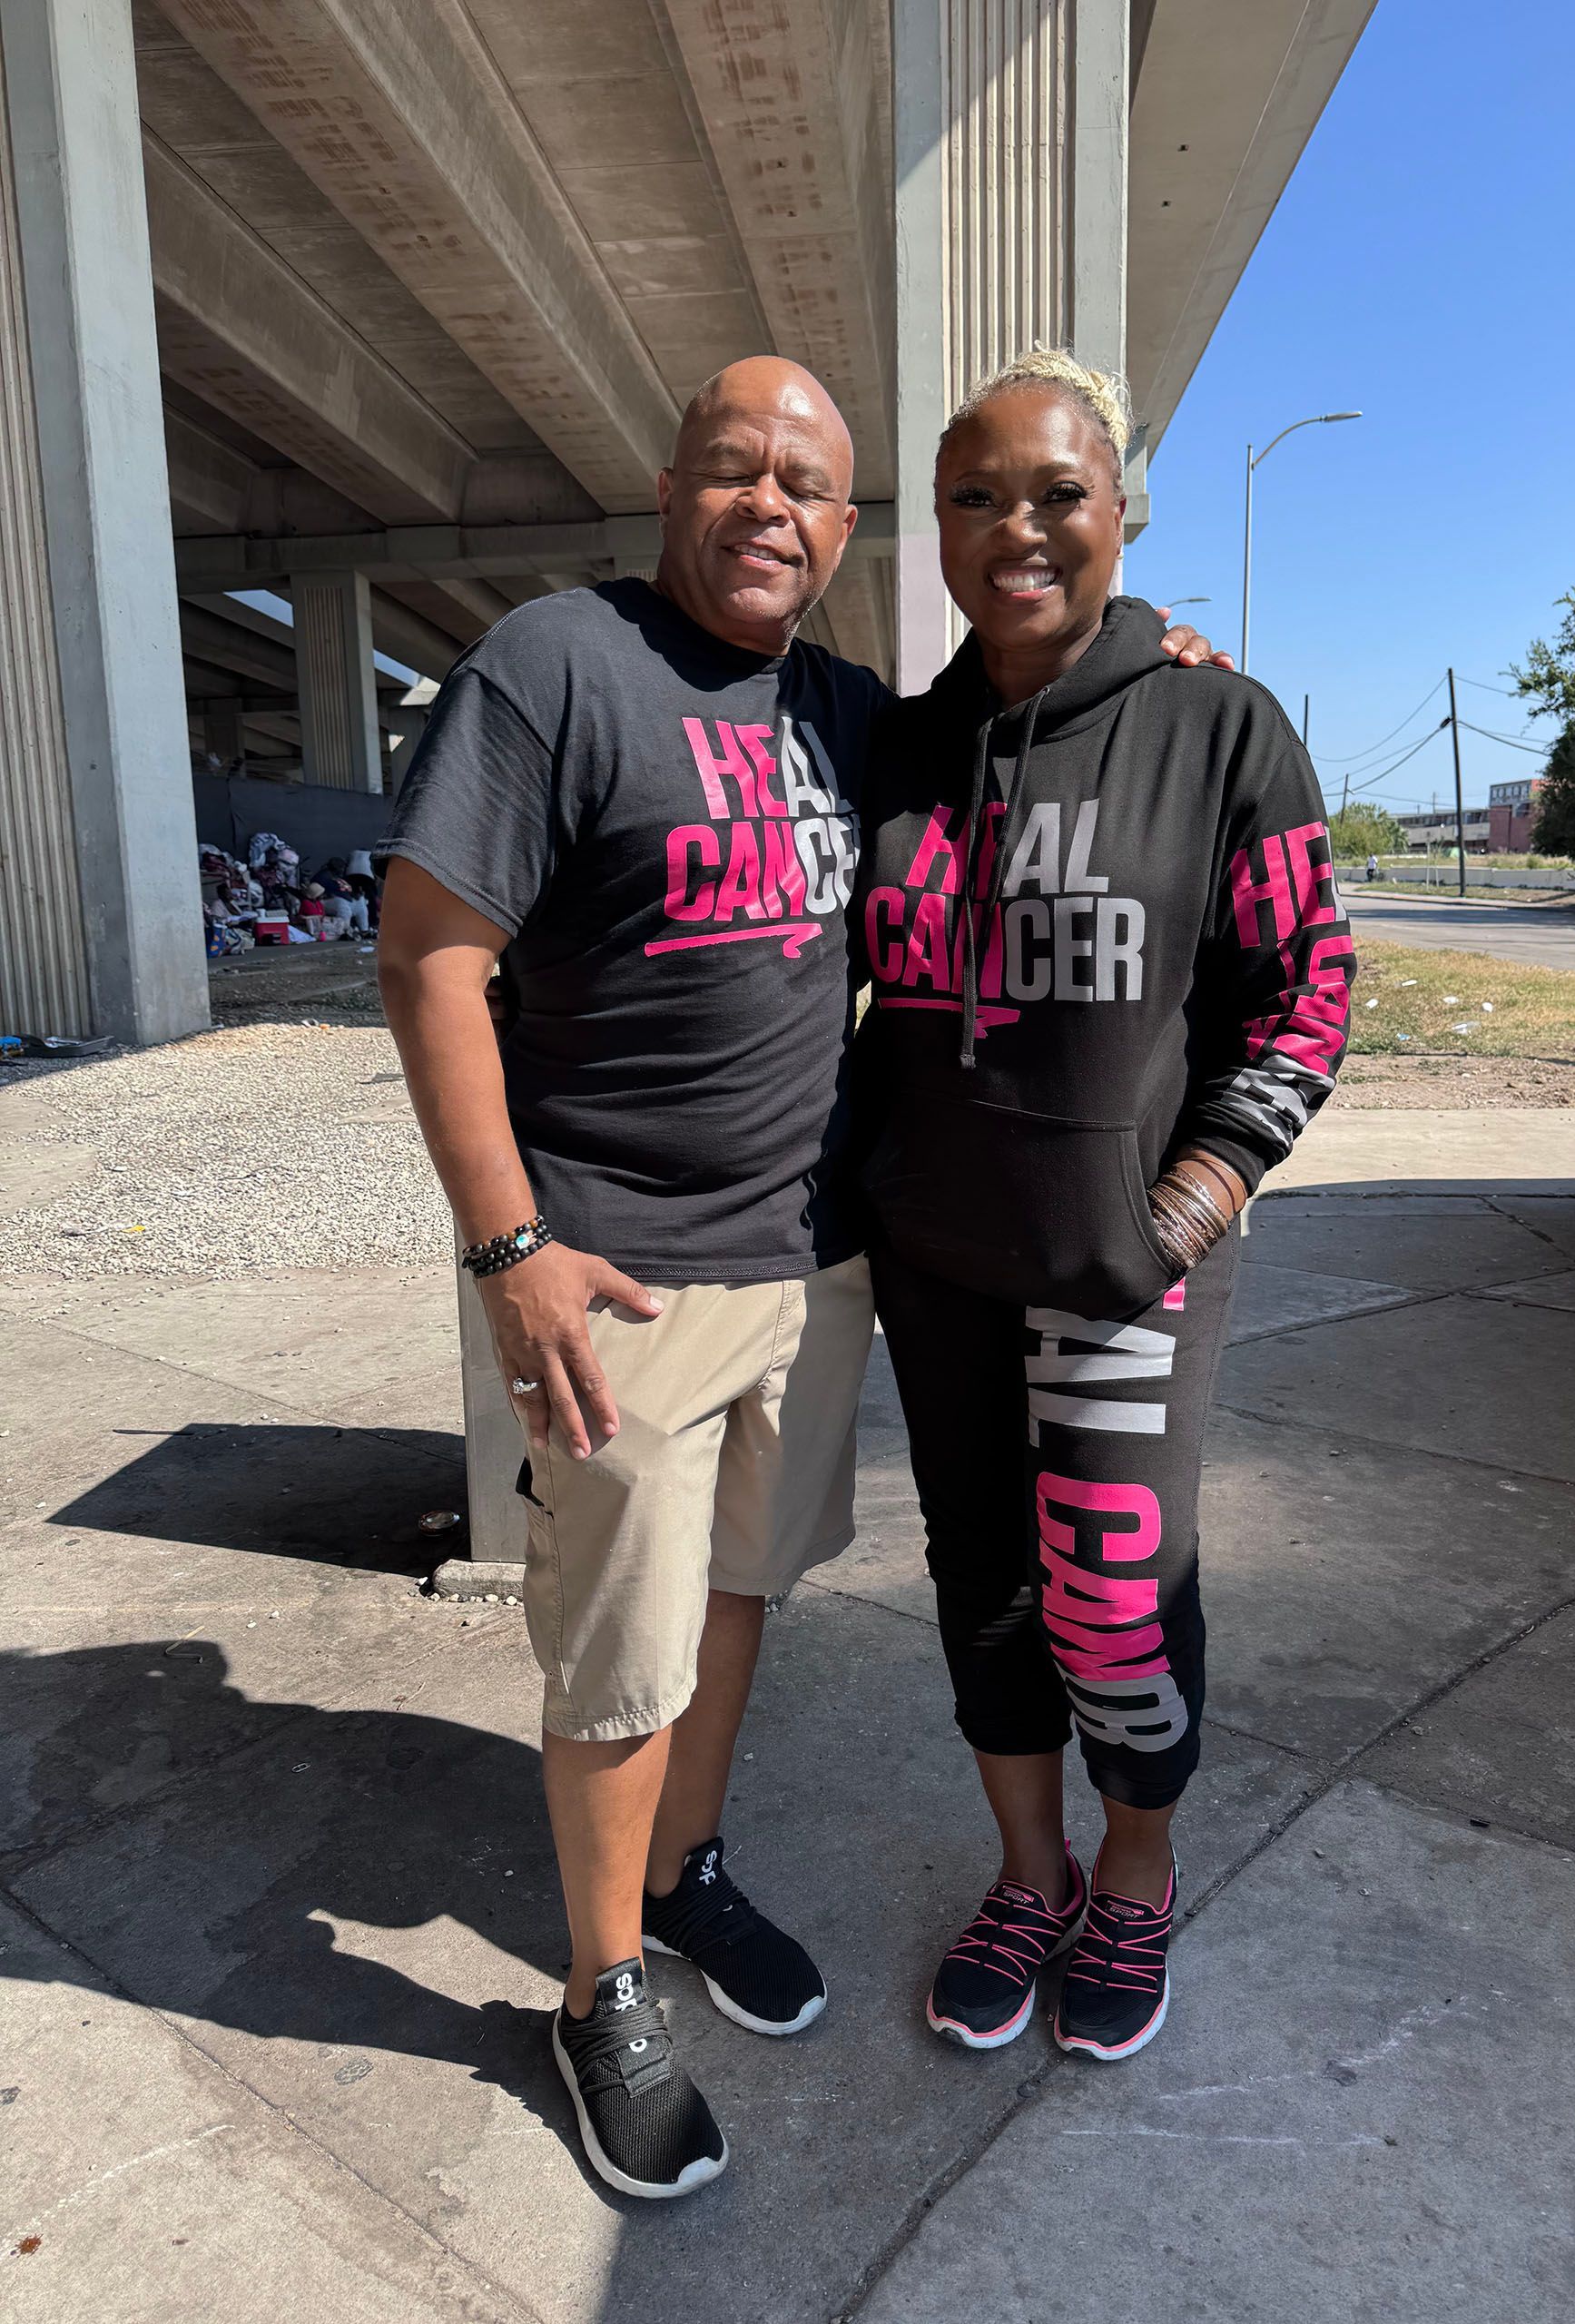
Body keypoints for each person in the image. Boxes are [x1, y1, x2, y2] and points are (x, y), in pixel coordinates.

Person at [377, 351, 1230, 2197]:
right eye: (732, 466)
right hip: (621, 1274)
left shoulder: (853, 712)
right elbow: (429, 956)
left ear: (848, 530)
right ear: (670, 485)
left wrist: (1150, 656)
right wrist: (509, 1248)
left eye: (805, 483)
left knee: (737, 1593)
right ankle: (601, 1986)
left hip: (820, 1256)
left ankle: (684, 1873)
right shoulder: (554, 665)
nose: (767, 503)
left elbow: (1044, 704)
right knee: (618, 1655)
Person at [854, 350, 1353, 2064]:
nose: (1019, 528)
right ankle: (1031, 1871)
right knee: (985, 1581)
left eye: (1058, 492)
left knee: (1114, 1591)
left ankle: (1136, 1875)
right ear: (936, 528)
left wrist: (1188, 1206)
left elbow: (1308, 994)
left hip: (1128, 1263)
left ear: (1122, 509)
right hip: (937, 1260)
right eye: (977, 497)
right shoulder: (897, 746)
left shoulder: (1222, 726)